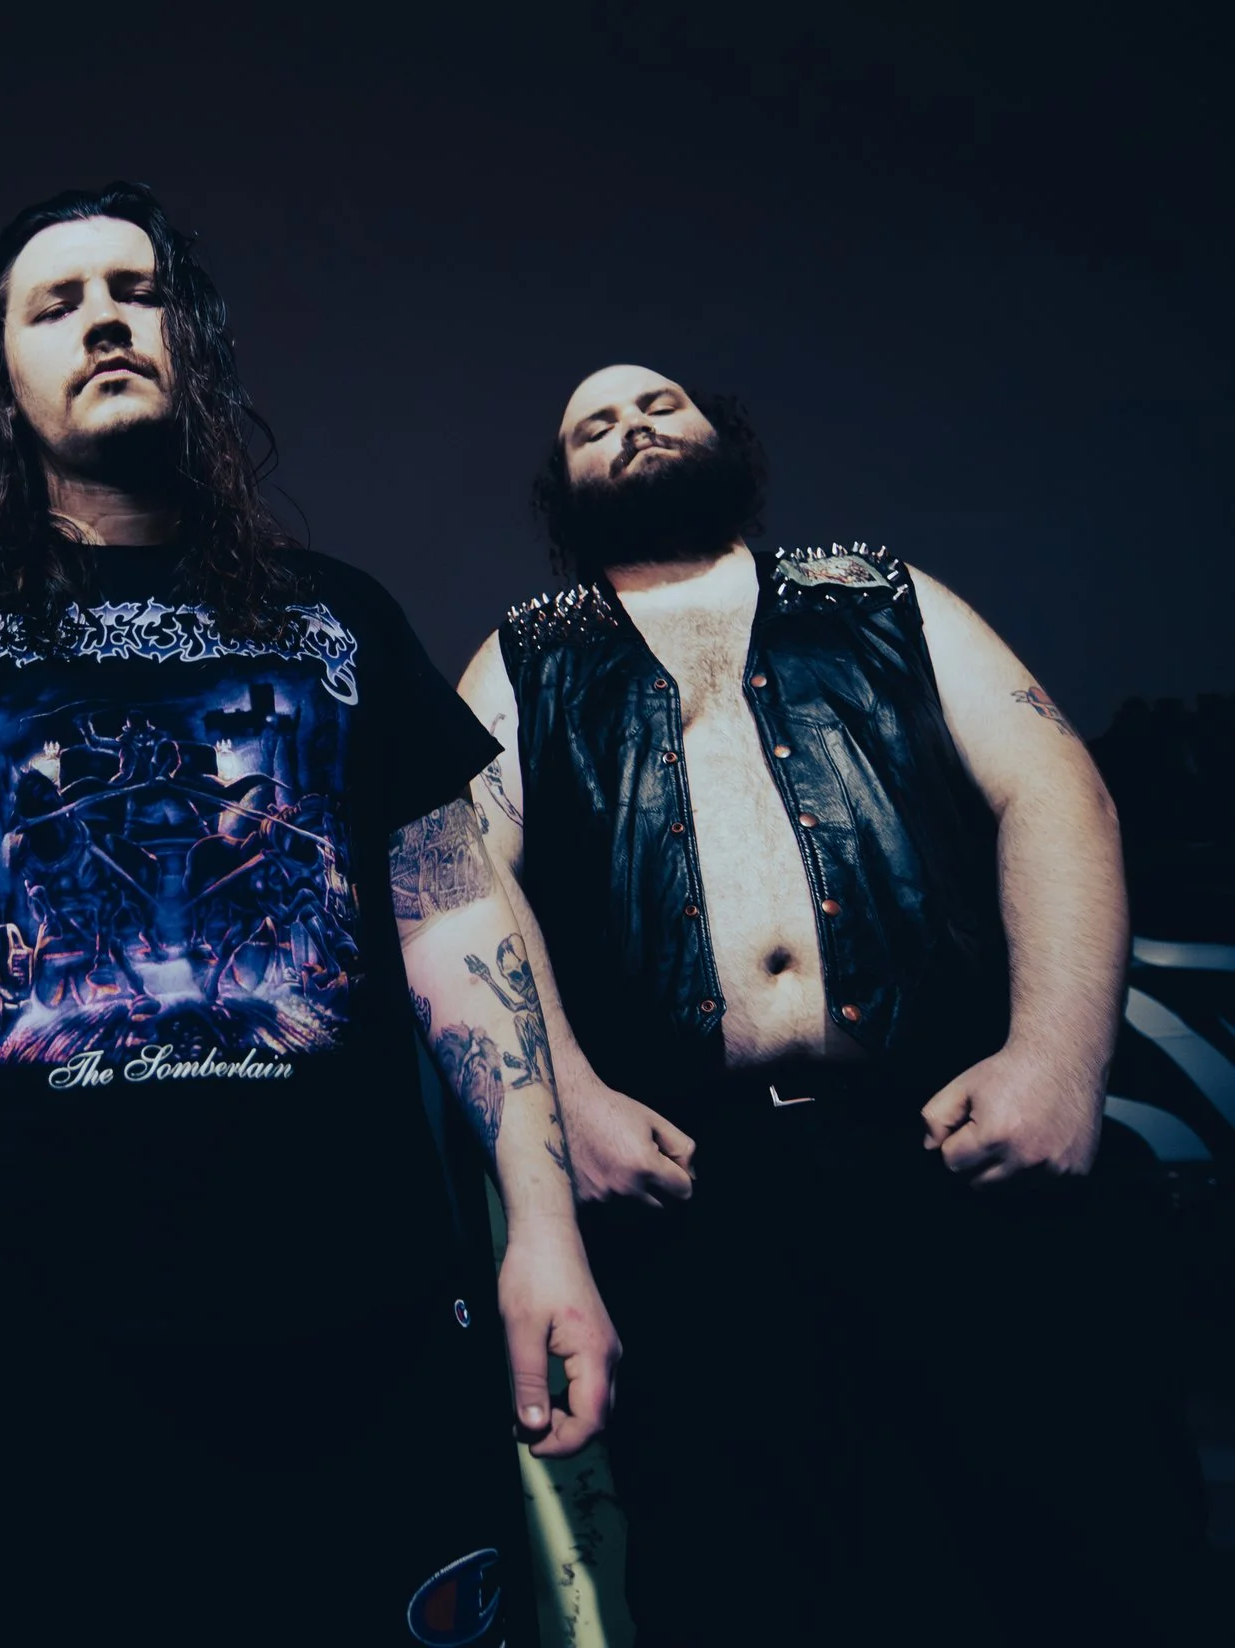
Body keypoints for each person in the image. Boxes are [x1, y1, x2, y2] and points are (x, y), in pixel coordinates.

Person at [0, 184, 616, 1636]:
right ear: (3, 383)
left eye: (138, 290)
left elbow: (455, 923)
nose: (105, 321)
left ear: (198, 342)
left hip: (338, 1319)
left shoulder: (341, 615)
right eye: (55, 304)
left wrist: (543, 1231)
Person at [457, 364, 1206, 1644]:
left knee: (1060, 1548)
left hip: (949, 1137)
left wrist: (1055, 1059)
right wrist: (566, 1097)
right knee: (749, 1575)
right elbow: (462, 877)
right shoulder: (523, 651)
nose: (633, 427)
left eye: (660, 405)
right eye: (595, 424)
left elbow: (1054, 785)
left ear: (723, 439)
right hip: (692, 1189)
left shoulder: (881, 590)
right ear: (560, 487)